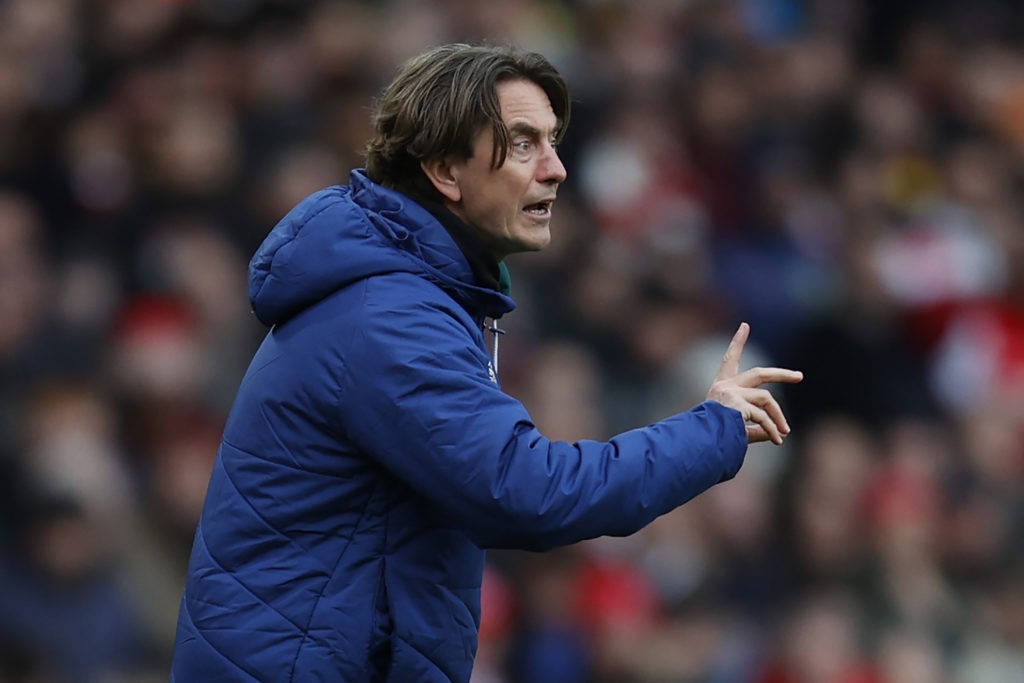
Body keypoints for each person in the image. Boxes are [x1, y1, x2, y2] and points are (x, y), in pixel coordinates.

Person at [170, 43, 803, 682]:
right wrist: (711, 427)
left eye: (554, 141)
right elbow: (527, 491)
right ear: (446, 169)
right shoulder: (389, 317)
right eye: (525, 143)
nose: (556, 169)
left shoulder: (407, 294)